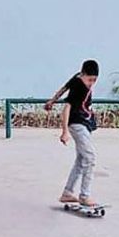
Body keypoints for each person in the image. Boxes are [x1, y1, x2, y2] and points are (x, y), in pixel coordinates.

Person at [45, 59, 100, 206]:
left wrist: (52, 100)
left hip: (83, 123)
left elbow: (64, 88)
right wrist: (64, 132)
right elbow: (67, 108)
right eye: (89, 80)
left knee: (81, 160)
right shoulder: (79, 87)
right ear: (83, 74)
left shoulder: (76, 77)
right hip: (77, 124)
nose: (91, 83)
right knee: (90, 158)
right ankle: (84, 195)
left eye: (94, 80)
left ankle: (67, 193)